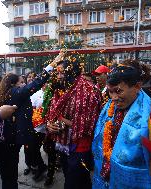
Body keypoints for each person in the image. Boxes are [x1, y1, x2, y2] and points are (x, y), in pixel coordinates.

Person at [0, 51, 66, 189]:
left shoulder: (8, 93)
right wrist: (53, 63)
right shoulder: (15, 92)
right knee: (9, 176)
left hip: (9, 139)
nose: (24, 85)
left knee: (10, 175)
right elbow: (36, 83)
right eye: (21, 82)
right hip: (8, 141)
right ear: (14, 84)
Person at [92, 59, 151, 189]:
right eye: (110, 92)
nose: (113, 98)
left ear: (137, 86)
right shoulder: (109, 107)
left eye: (118, 91)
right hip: (106, 172)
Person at [46, 58, 102, 189]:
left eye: (61, 73)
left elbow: (87, 126)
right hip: (63, 143)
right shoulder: (60, 89)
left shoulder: (89, 92)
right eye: (57, 73)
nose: (58, 76)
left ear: (72, 72)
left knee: (73, 182)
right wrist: (50, 124)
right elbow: (51, 113)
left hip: (80, 146)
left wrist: (60, 119)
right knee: (78, 178)